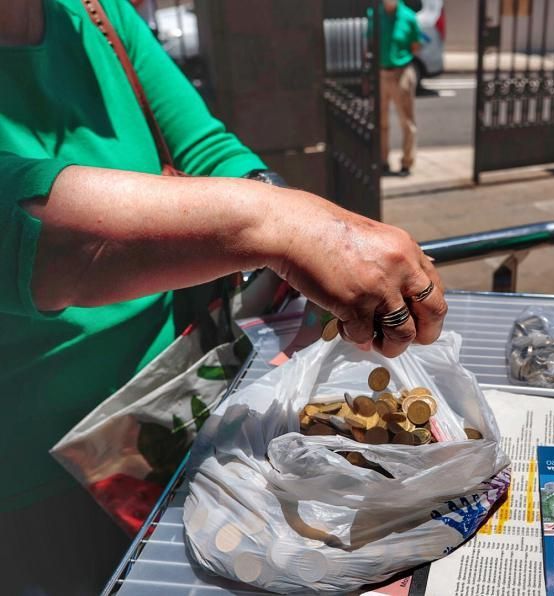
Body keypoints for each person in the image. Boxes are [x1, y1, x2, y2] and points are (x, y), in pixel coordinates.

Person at [0, 0, 446, 593]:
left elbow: (206, 148)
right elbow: (34, 232)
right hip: (32, 492)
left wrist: (284, 212)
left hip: (171, 418)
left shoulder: (98, 14)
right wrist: (283, 228)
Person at [376, 0, 422, 177]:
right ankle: (382, 160)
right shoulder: (376, 15)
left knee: (407, 121)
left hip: (401, 73)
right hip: (380, 73)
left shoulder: (408, 17)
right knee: (381, 121)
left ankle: (407, 162)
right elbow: (369, 43)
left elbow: (415, 45)